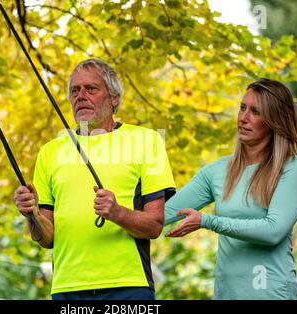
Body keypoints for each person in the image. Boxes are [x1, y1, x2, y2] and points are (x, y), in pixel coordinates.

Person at [14, 58, 176, 300]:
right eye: (75, 91)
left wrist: (117, 212)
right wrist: (32, 214)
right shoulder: (50, 152)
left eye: (91, 89)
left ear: (114, 98)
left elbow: (154, 226)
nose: (81, 96)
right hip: (67, 289)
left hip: (128, 286)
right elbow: (47, 239)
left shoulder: (146, 141)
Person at [164, 78, 297, 299]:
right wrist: (118, 208)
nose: (243, 118)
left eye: (255, 111)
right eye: (242, 108)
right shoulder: (216, 171)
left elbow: (273, 231)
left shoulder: (291, 167)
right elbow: (161, 214)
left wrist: (207, 221)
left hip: (271, 293)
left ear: (274, 120)